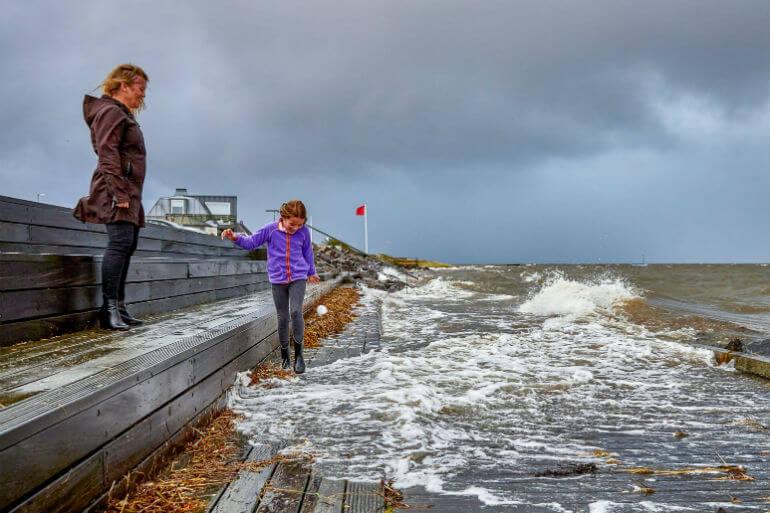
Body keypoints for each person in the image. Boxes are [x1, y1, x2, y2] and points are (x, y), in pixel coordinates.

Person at [74, 64, 149, 330]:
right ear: (124, 85)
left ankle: (119, 306)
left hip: (128, 191)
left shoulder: (120, 114)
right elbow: (107, 154)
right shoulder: (109, 111)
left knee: (127, 244)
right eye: (140, 89)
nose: (143, 95)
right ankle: (108, 310)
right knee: (119, 244)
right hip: (116, 190)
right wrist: (119, 194)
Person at [221, 200, 320, 374]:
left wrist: (312, 272)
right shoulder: (270, 229)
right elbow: (251, 242)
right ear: (283, 218)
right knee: (282, 317)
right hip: (277, 280)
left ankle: (299, 356)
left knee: (296, 311)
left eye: (299, 225)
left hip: (298, 277)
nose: (295, 228)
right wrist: (235, 237)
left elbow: (308, 253)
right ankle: (284, 357)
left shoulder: (304, 232)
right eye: (292, 224)